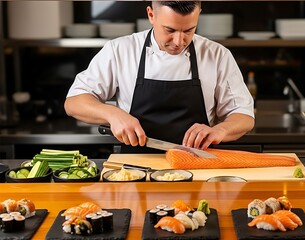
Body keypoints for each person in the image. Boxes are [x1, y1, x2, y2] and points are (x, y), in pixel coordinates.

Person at [64, 1, 255, 153]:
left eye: (189, 30)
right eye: (170, 30)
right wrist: (112, 114)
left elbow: (244, 115)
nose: (179, 42)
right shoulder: (121, 50)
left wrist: (219, 131)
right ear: (151, 15)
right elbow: (74, 102)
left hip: (198, 166)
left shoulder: (217, 55)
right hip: (135, 171)